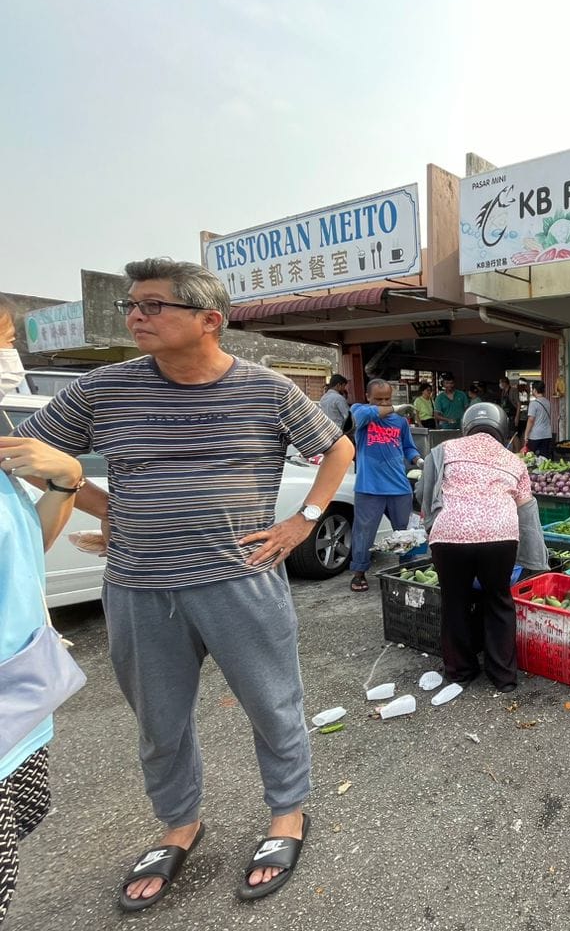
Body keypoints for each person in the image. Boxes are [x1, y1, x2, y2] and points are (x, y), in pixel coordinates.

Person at [15, 259, 356, 908]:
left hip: (240, 580)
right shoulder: (103, 390)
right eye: (131, 307)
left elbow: (337, 449)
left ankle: (288, 814)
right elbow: (35, 460)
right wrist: (112, 509)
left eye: (152, 305)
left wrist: (303, 522)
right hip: (139, 584)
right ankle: (179, 824)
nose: (136, 316)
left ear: (208, 320)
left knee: (272, 704)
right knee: (159, 720)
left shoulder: (268, 389)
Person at [0, 297, 85, 924]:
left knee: (20, 833)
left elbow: (25, 550)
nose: (10, 359)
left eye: (7, 343)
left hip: (22, 702)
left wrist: (65, 483)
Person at [418, 403, 547, 691]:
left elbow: (423, 492)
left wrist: (431, 524)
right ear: (502, 429)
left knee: (455, 600)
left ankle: (460, 671)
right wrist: (535, 557)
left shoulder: (443, 450)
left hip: (450, 535)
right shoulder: (514, 461)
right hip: (499, 536)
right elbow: (526, 510)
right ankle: (503, 677)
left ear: (466, 426)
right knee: (498, 600)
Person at [348, 379, 425, 593]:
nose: (383, 403)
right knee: (364, 532)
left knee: (405, 533)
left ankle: (408, 571)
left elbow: (408, 447)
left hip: (399, 487)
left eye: (388, 399)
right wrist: (393, 408)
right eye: (378, 399)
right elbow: (358, 418)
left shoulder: (399, 422)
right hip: (369, 487)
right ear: (368, 397)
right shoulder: (360, 412)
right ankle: (359, 573)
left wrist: (419, 460)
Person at [523, 380, 555, 459]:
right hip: (547, 434)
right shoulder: (547, 402)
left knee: (532, 458)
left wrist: (526, 434)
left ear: (534, 390)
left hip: (536, 435)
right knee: (544, 459)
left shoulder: (533, 403)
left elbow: (531, 420)